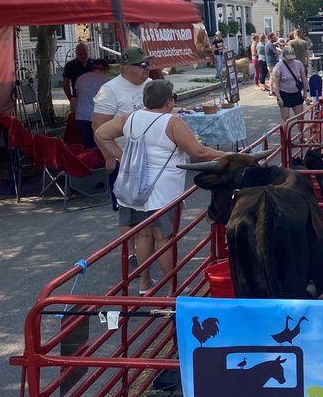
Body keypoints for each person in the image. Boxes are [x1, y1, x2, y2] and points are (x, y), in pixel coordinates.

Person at [94, 79, 225, 295]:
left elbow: (101, 134)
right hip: (162, 191)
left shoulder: (131, 117)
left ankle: (145, 284)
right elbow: (198, 152)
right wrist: (230, 155)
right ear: (168, 101)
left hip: (134, 188)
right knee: (164, 239)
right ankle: (174, 288)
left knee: (143, 236)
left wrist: (122, 157)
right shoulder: (171, 122)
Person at [93, 45, 154, 231]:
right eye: (142, 64)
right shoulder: (110, 90)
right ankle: (131, 253)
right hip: (125, 159)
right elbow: (97, 127)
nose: (147, 68)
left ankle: (147, 247)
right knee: (128, 212)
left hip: (151, 157)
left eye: (148, 63)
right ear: (127, 67)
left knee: (151, 208)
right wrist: (110, 156)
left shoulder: (151, 84)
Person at [271, 45, 309, 132]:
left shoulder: (298, 64)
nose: (291, 60)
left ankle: (301, 135)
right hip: (284, 93)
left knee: (300, 117)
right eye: (289, 58)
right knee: (285, 117)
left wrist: (306, 92)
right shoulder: (279, 66)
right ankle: (285, 138)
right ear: (284, 56)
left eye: (292, 58)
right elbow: (275, 83)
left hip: (296, 93)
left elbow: (304, 78)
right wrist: (278, 97)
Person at [74, 59, 109, 148]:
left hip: (81, 114)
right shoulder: (105, 81)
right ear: (104, 69)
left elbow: (78, 95)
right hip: (97, 115)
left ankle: (89, 160)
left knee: (87, 142)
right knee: (100, 142)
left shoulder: (80, 78)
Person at [62, 42, 92, 111]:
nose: (83, 56)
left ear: (89, 52)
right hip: (77, 98)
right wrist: (71, 98)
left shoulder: (95, 64)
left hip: (94, 98)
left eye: (85, 54)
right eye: (80, 54)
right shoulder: (70, 65)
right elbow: (65, 83)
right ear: (76, 53)